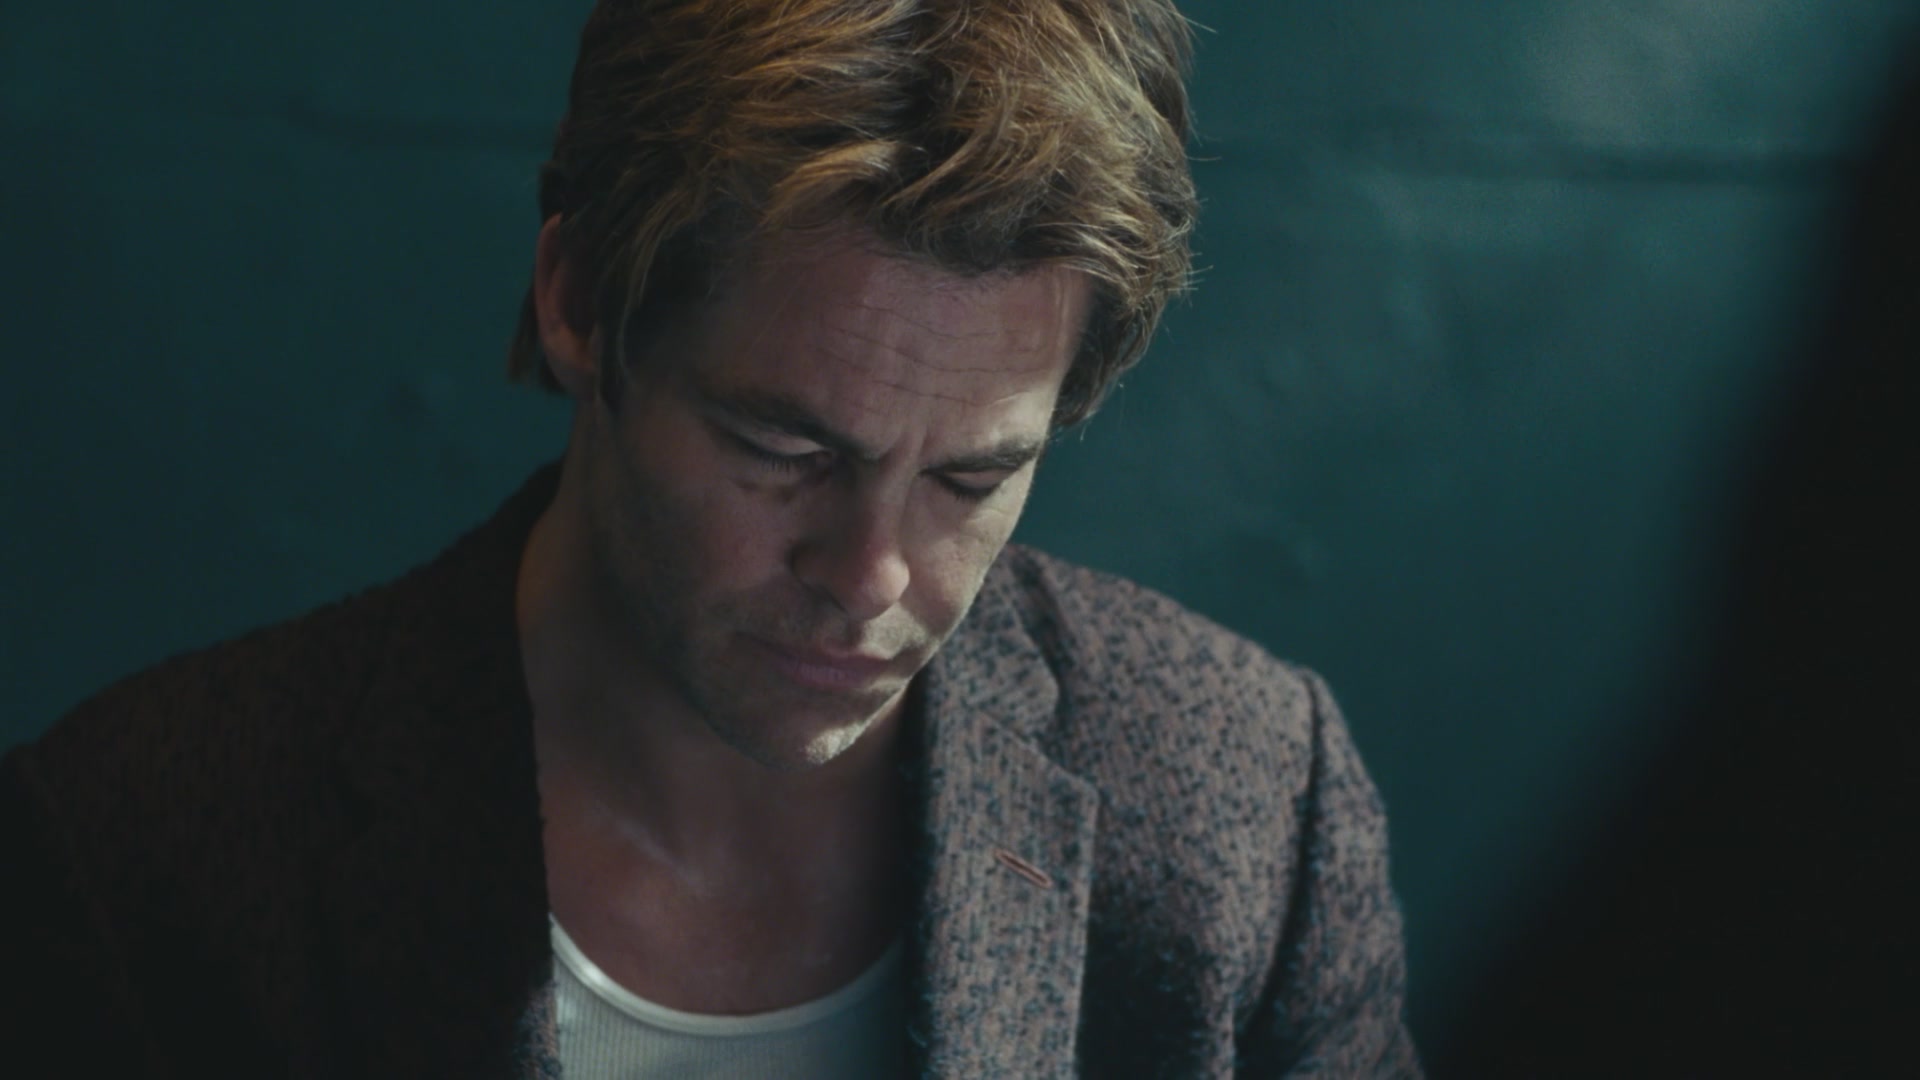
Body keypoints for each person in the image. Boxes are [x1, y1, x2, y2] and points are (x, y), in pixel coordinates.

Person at [2, 1, 1420, 1075]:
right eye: (783, 451)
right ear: (578, 301)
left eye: (972, 478)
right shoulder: (143, 855)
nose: (869, 577)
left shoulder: (1247, 810)